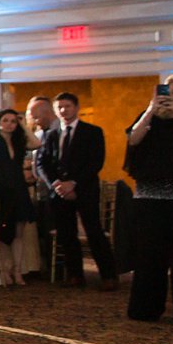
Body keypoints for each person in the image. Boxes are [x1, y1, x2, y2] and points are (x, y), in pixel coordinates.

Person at [124, 73, 173, 324]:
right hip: (149, 197)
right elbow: (133, 139)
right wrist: (150, 110)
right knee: (148, 256)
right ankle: (145, 309)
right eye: (172, 92)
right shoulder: (151, 117)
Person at [35, 92, 119, 291]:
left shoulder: (92, 131)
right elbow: (42, 163)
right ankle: (75, 275)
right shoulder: (51, 134)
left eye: (68, 106)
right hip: (59, 192)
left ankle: (108, 275)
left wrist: (73, 183)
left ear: (76, 107)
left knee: (94, 232)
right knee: (66, 233)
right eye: (60, 107)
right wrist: (56, 183)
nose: (64, 110)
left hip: (85, 190)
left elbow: (95, 162)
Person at [0, 108, 35, 286]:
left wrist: (23, 125)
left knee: (19, 233)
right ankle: (4, 271)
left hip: (19, 189)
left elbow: (36, 143)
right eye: (5, 120)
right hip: (1, 190)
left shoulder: (19, 142)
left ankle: (17, 271)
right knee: (2, 233)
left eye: (13, 121)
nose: (9, 124)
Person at [25, 95, 59, 277]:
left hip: (56, 188)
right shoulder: (38, 135)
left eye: (34, 115)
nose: (32, 119)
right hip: (40, 189)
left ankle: (61, 269)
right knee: (43, 229)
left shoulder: (59, 130)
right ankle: (47, 268)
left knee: (56, 228)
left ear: (46, 112)